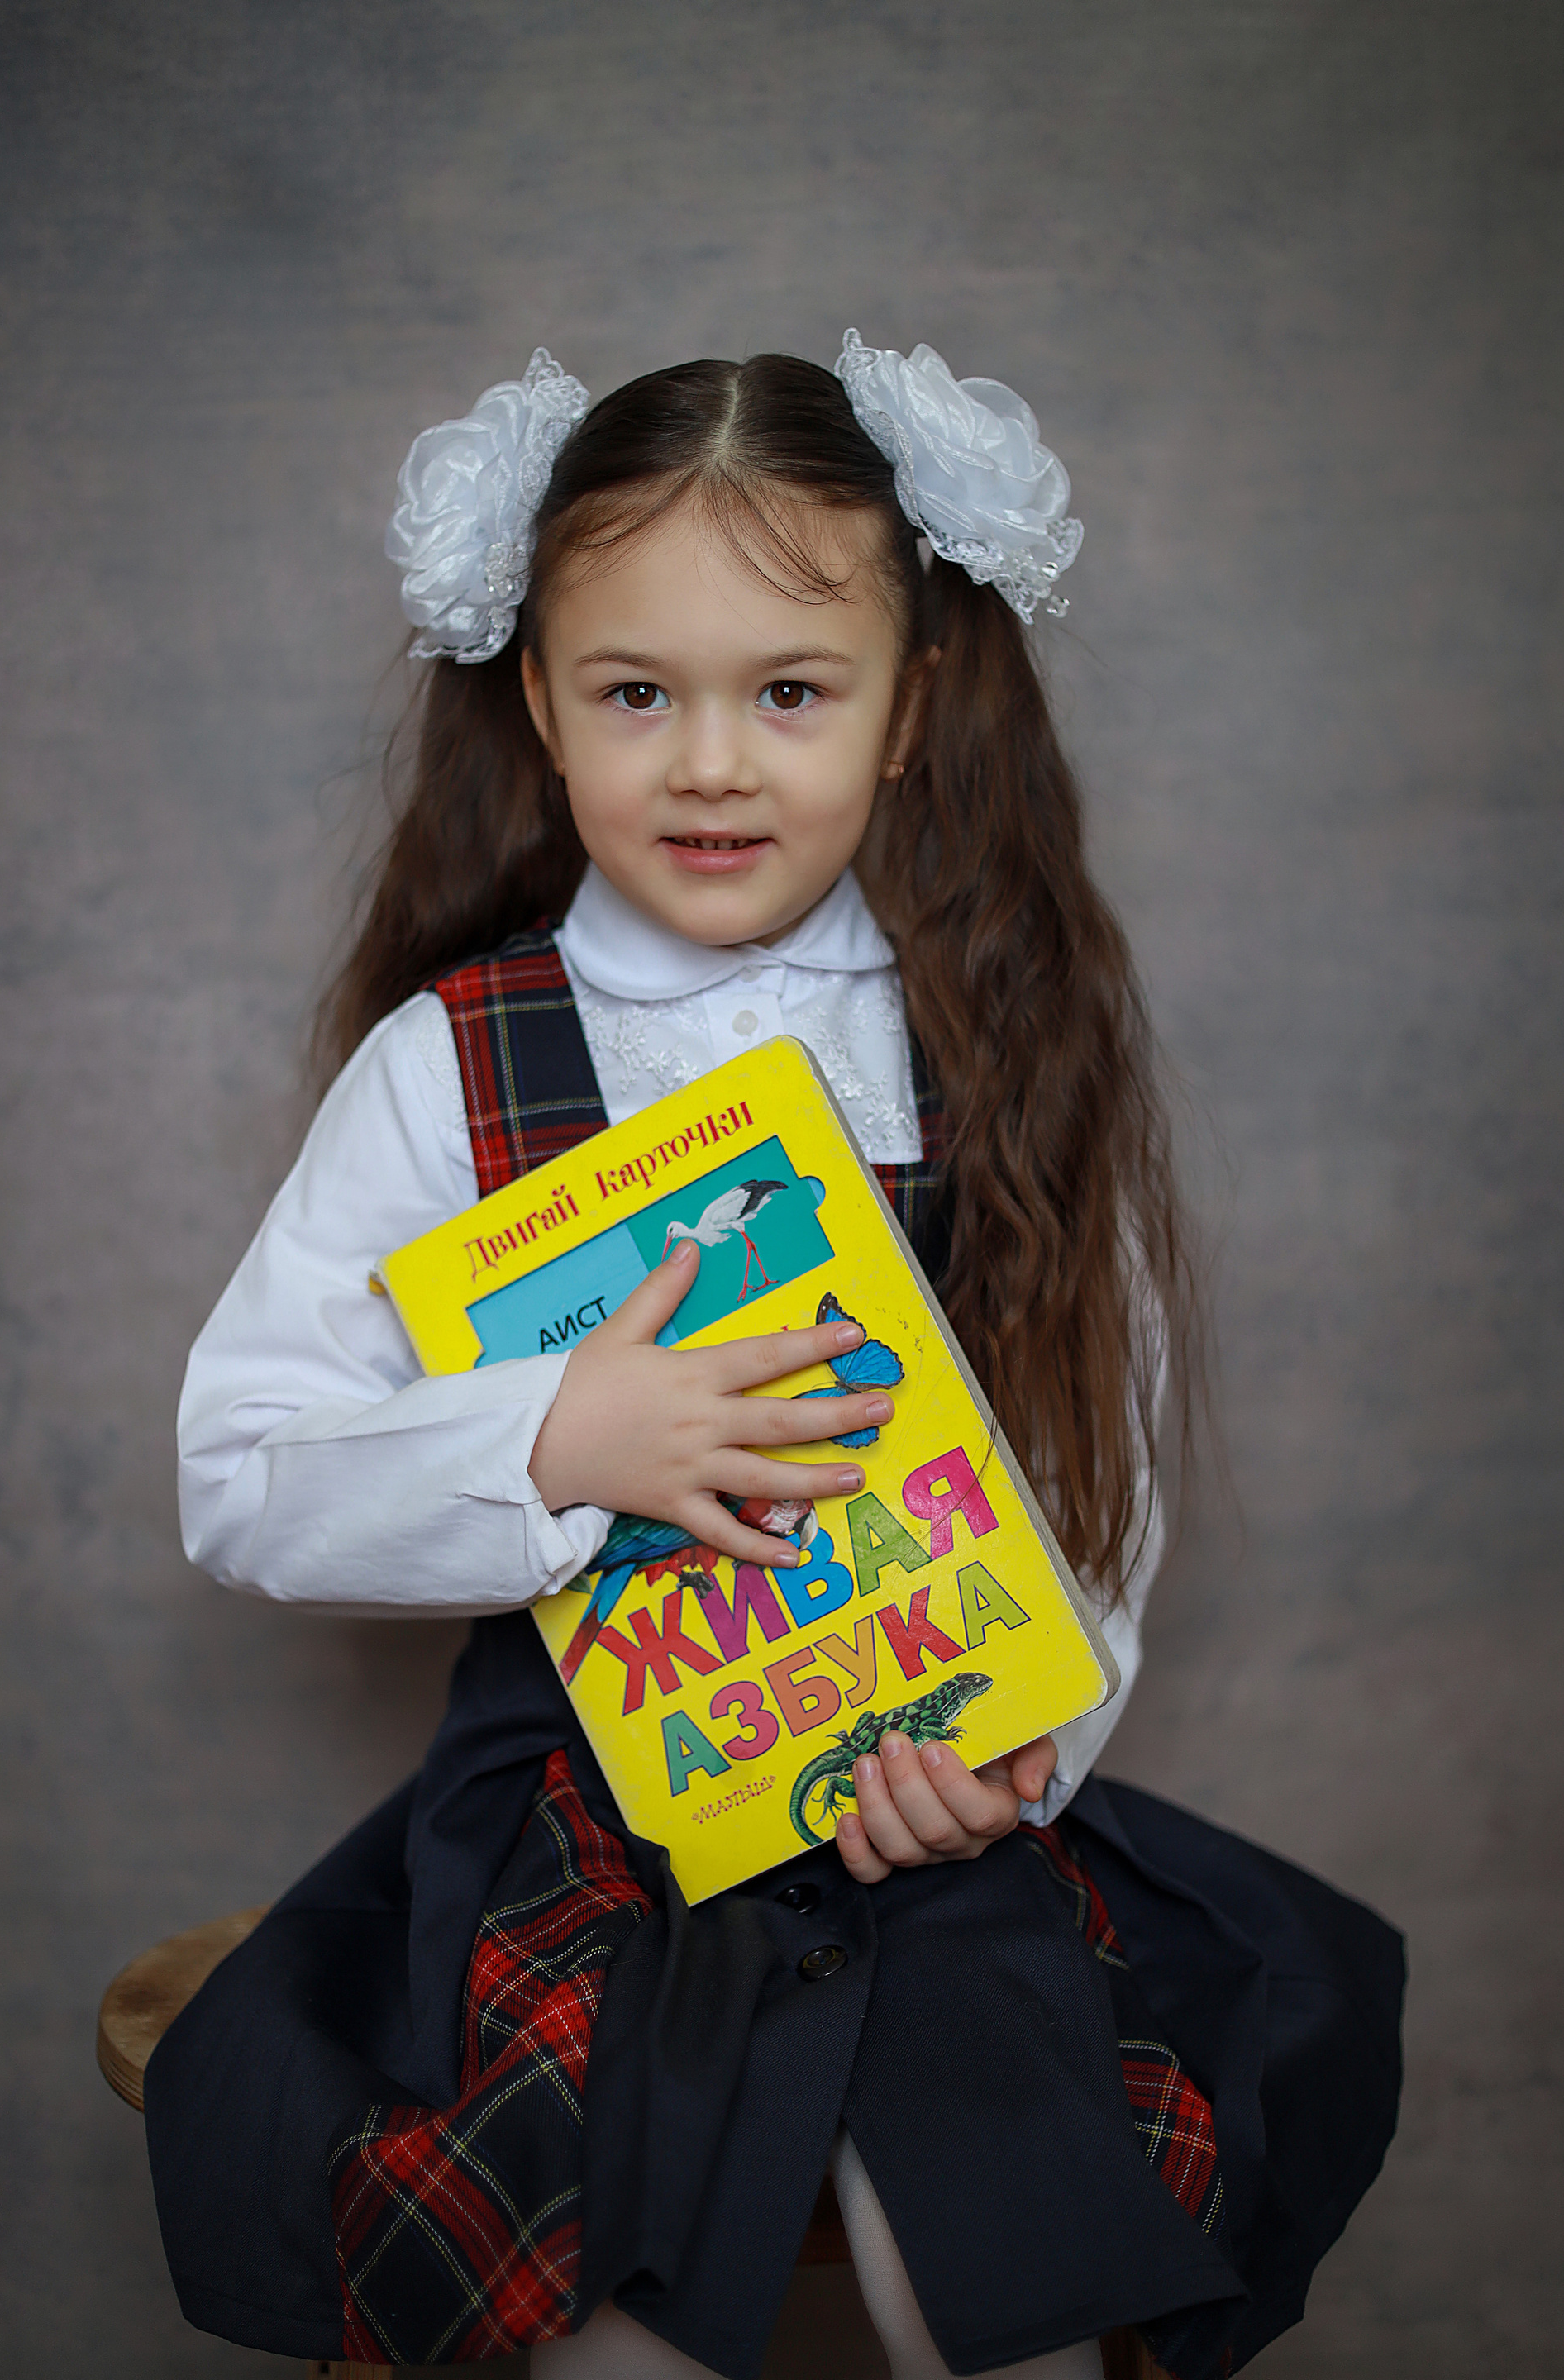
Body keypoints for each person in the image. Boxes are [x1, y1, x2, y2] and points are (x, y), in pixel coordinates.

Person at [144, 336, 1404, 2380]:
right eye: (637, 693)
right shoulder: (447, 1072)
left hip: (920, 1808)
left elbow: (1102, 1476)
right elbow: (239, 1478)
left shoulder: (995, 1037)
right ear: (540, 704)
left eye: (793, 692)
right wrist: (553, 1437)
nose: (711, 764)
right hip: (576, 1837)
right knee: (609, 2288)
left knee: (1016, 2270)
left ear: (912, 712)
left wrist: (1022, 1759)